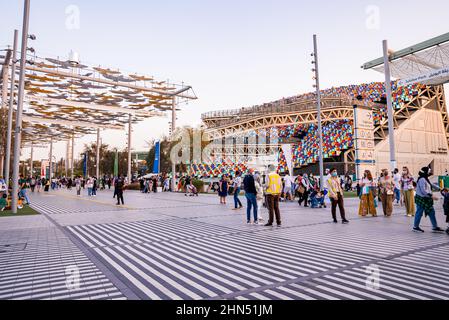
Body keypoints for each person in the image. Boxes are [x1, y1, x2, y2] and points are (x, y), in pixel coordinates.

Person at [413, 167, 444, 233]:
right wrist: (431, 195)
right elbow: (423, 190)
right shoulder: (422, 179)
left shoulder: (425, 178)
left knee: (431, 212)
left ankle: (435, 227)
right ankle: (415, 227)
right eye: (429, 171)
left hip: (426, 199)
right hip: (421, 198)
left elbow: (430, 185)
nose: (430, 173)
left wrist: (440, 189)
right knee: (419, 213)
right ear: (425, 172)